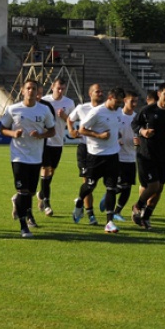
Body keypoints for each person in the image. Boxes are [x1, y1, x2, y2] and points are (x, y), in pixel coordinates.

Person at [0, 79, 55, 238]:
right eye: (28, 88)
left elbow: (52, 131)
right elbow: (2, 128)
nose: (31, 91)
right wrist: (12, 133)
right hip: (18, 156)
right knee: (24, 192)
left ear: (38, 92)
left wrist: (41, 135)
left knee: (30, 193)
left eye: (34, 88)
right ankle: (24, 226)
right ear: (23, 91)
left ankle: (17, 201)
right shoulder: (13, 109)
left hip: (36, 157)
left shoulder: (44, 110)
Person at [131, 83, 165, 229]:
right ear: (159, 94)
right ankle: (137, 206)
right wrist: (143, 132)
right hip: (147, 154)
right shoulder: (148, 110)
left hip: (164, 155)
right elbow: (135, 124)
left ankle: (146, 217)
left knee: (159, 188)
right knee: (153, 186)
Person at [72, 87, 125, 233]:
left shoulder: (118, 111)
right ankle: (79, 202)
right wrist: (99, 136)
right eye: (117, 102)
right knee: (90, 186)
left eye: (121, 103)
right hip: (95, 156)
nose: (118, 105)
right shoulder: (97, 112)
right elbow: (82, 129)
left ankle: (109, 222)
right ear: (110, 98)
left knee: (111, 188)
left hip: (113, 155)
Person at [37, 78, 75, 216]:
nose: (60, 91)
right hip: (45, 141)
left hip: (58, 142)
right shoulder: (45, 101)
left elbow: (71, 122)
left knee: (51, 172)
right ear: (52, 87)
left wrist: (65, 117)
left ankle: (41, 193)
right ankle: (46, 203)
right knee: (45, 170)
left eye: (63, 89)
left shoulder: (69, 103)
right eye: (58, 88)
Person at [67, 83, 104, 225]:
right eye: (97, 91)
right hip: (85, 149)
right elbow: (70, 119)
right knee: (89, 183)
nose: (100, 93)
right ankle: (90, 214)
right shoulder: (82, 108)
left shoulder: (107, 109)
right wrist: (71, 130)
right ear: (90, 94)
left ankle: (81, 201)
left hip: (103, 150)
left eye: (101, 91)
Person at [111, 90, 139, 221]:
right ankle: (108, 198)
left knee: (128, 187)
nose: (134, 104)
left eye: (136, 101)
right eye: (132, 101)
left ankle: (117, 211)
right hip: (118, 156)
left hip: (131, 156)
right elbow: (111, 130)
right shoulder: (118, 115)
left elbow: (140, 134)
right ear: (125, 101)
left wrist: (138, 140)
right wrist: (117, 138)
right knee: (120, 185)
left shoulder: (137, 117)